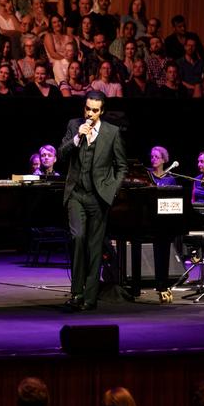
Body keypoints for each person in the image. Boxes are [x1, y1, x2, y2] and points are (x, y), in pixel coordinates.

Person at [58, 90, 127, 311]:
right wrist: (77, 137)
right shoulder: (73, 125)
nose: (90, 113)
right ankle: (76, 292)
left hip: (99, 198)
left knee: (94, 246)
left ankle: (89, 297)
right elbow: (60, 154)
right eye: (87, 108)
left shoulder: (112, 132)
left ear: (102, 111)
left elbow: (121, 166)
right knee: (78, 238)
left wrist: (112, 190)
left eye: (95, 110)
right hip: (76, 194)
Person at [148, 145, 177, 301]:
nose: (153, 159)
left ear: (164, 160)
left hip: (163, 220)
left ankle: (162, 284)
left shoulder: (170, 178)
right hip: (148, 219)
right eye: (152, 156)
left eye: (156, 157)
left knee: (163, 248)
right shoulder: (147, 176)